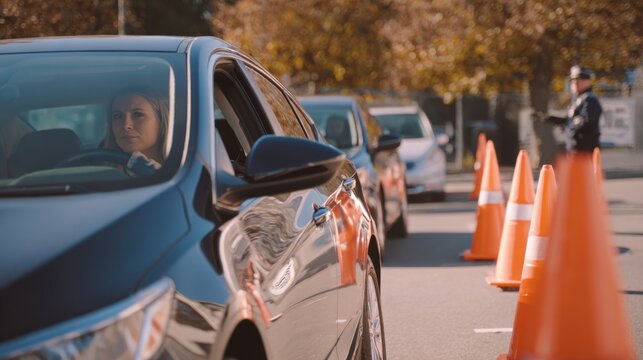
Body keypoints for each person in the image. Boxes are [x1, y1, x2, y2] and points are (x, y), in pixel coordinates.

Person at [104, 89, 169, 175]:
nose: (126, 125)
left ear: (161, 122)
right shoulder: (99, 174)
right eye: (118, 116)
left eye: (138, 114)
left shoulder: (184, 173)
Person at [540, 65, 602, 152]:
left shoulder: (590, 100)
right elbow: (570, 120)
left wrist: (572, 126)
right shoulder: (579, 99)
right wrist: (551, 118)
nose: (575, 84)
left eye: (578, 81)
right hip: (577, 150)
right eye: (573, 82)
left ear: (587, 82)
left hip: (584, 151)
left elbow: (588, 122)